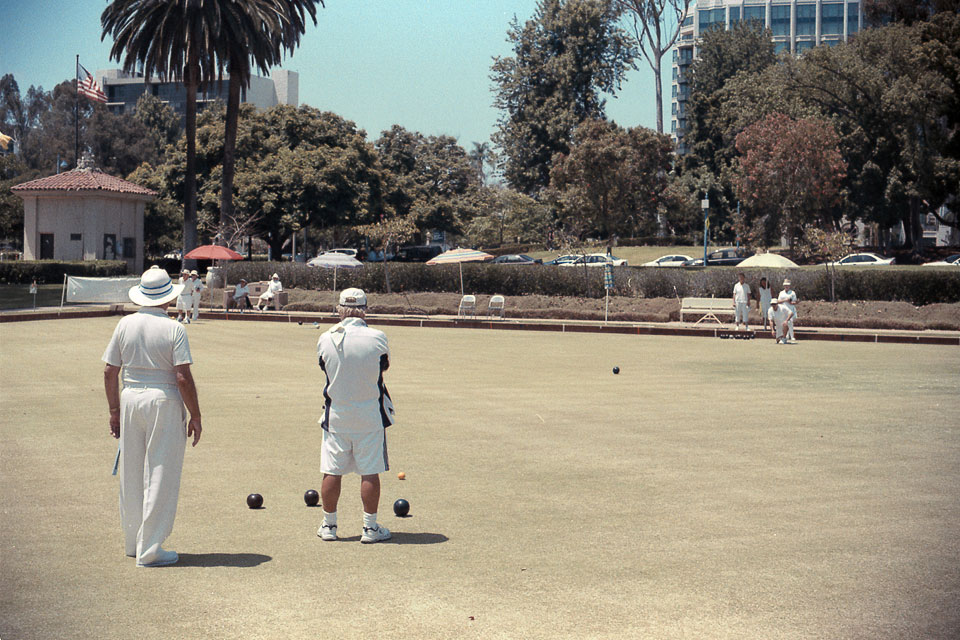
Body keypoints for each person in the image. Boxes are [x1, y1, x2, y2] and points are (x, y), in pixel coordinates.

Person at [102, 266, 202, 567]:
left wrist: (114, 411)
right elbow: (182, 377)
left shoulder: (125, 325)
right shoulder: (174, 328)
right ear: (168, 299)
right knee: (161, 470)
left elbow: (109, 371)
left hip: (130, 397)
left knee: (132, 470)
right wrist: (196, 415)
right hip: (163, 401)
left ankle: (134, 543)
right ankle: (150, 549)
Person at [316, 288, 395, 544]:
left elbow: (323, 366)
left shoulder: (325, 337)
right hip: (369, 414)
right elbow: (384, 367)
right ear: (365, 308)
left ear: (339, 309)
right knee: (370, 472)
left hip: (336, 414)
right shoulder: (377, 337)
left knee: (332, 470)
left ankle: (329, 526)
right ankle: (370, 529)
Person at [779, 278, 798, 343]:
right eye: (785, 285)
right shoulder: (781, 293)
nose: (786, 286)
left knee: (790, 323)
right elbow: (778, 301)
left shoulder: (792, 293)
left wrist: (790, 302)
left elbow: (795, 302)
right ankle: (786, 336)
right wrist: (785, 300)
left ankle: (792, 336)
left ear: (789, 286)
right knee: (785, 323)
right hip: (783, 310)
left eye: (788, 285)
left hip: (790, 309)